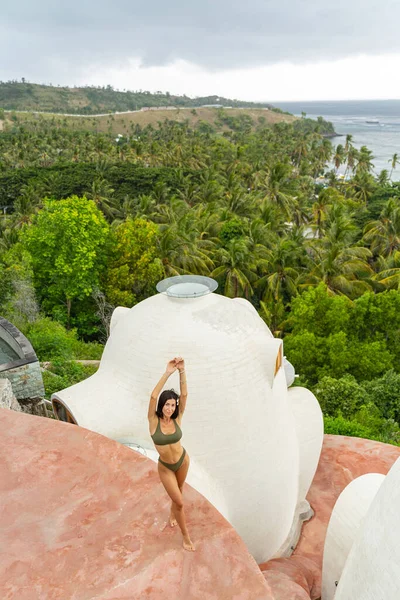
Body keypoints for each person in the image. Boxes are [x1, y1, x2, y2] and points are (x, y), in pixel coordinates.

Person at [148, 357, 195, 551]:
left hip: (183, 461)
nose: (170, 408)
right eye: (166, 405)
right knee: (181, 502)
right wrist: (168, 372)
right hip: (166, 467)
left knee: (179, 492)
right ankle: (186, 536)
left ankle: (172, 513)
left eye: (172, 405)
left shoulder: (177, 418)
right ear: (161, 405)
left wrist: (182, 371)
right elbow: (152, 396)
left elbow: (184, 395)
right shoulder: (153, 420)